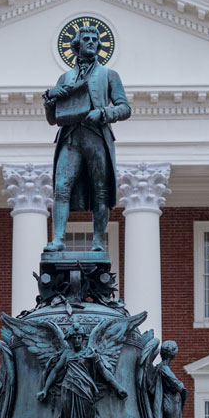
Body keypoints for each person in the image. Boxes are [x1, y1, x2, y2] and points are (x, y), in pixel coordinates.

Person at [43, 26, 131, 252]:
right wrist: (50, 100)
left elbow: (124, 108)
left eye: (95, 39)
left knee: (100, 191)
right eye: (87, 39)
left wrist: (103, 113)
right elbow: (53, 119)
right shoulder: (66, 77)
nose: (92, 42)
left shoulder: (109, 75)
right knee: (61, 188)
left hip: (96, 137)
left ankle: (97, 243)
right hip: (71, 138)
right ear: (78, 45)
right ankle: (58, 240)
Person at [34, 322, 130, 418]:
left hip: (86, 392)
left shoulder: (91, 354)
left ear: (83, 339)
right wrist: (44, 389)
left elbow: (104, 373)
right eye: (73, 338)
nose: (76, 340)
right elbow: (55, 372)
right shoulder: (66, 354)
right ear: (70, 340)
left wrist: (118, 387)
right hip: (68, 391)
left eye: (79, 337)